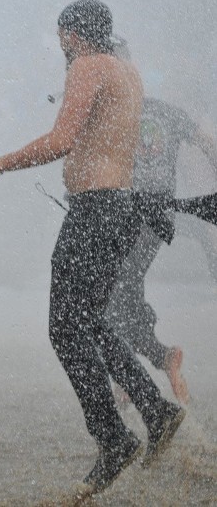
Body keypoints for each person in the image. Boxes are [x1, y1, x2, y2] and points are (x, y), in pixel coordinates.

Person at [0, 0, 185, 496]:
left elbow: (61, 140)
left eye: (60, 38)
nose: (60, 48)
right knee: (90, 322)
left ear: (71, 34)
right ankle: (157, 411)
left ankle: (113, 440)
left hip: (96, 210)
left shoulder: (87, 65)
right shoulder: (126, 71)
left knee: (64, 331)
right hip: (119, 210)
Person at [103, 37, 217, 407]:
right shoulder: (163, 113)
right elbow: (207, 144)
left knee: (117, 289)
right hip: (152, 218)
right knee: (124, 287)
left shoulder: (116, 118)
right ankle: (145, 365)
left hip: (135, 217)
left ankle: (146, 366)